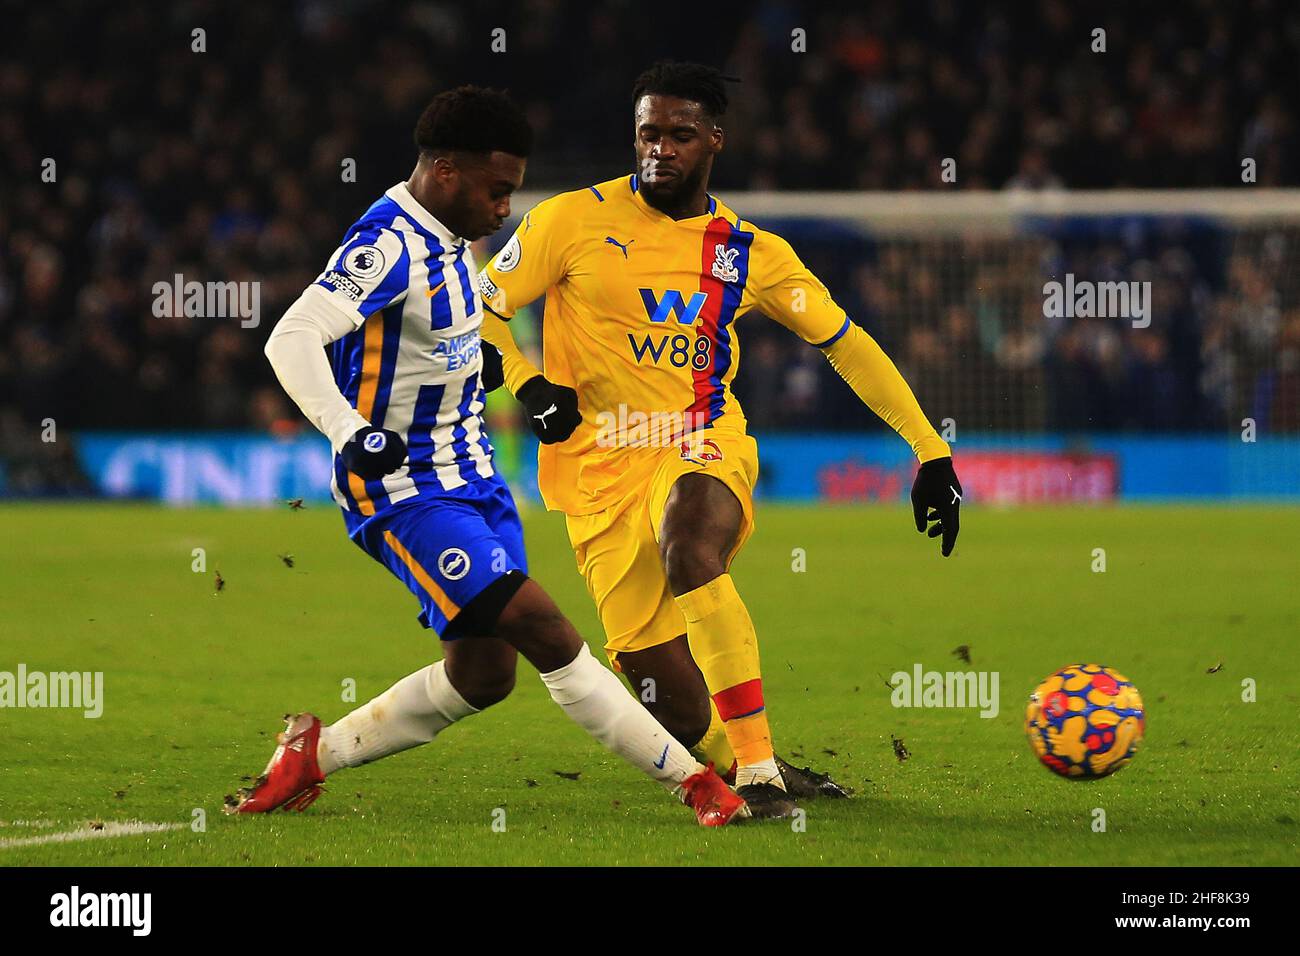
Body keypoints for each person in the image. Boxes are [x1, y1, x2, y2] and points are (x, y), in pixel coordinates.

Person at [225, 86, 746, 827]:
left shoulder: (451, 240)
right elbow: (292, 336)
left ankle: (316, 754)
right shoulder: (386, 246)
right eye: (497, 190)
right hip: (407, 491)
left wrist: (524, 384)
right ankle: (698, 785)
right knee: (547, 631)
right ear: (445, 173)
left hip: (477, 483)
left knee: (482, 675)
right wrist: (348, 431)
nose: (506, 208)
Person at [480, 62, 963, 818]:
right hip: (597, 473)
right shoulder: (568, 220)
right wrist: (527, 382)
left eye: (679, 134)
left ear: (714, 140)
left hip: (699, 441)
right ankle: (745, 756)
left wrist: (930, 449)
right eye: (648, 133)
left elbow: (845, 342)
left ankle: (762, 772)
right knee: (663, 699)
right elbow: (480, 311)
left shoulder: (749, 251)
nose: (660, 149)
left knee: (688, 546)